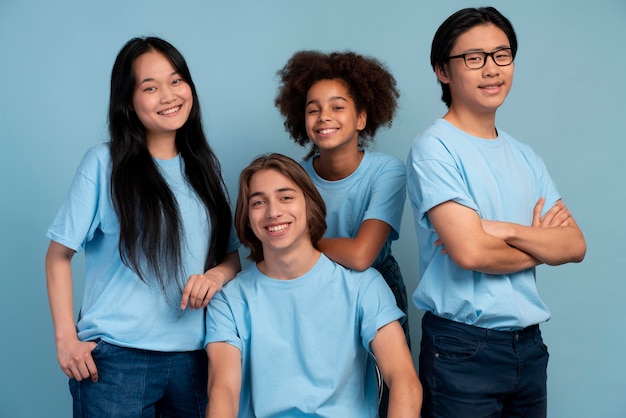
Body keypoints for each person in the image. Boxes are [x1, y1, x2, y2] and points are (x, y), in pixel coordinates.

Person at [45, 36, 241, 417]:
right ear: (128, 101)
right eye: (150, 87)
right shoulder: (104, 163)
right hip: (118, 362)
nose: (168, 95)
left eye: (176, 80)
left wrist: (214, 277)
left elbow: (230, 257)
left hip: (196, 360)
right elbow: (58, 256)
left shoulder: (205, 168)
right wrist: (66, 339)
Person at [406, 7, 587, 418]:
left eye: (501, 55)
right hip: (461, 348)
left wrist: (499, 229)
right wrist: (541, 244)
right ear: (443, 71)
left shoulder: (526, 156)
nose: (491, 69)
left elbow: (575, 245)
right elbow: (472, 254)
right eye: (474, 58)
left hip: (529, 346)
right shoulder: (435, 148)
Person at [205, 153, 421, 418]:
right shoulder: (228, 301)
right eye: (259, 202)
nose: (273, 212)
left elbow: (403, 379)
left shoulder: (363, 286)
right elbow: (222, 390)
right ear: (247, 217)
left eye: (286, 197)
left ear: (309, 205)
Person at [274, 52, 410, 416]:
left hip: (376, 285)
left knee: (386, 394)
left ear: (362, 117)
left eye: (338, 107)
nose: (325, 117)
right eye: (313, 109)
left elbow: (362, 255)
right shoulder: (294, 178)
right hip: (313, 292)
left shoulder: (388, 172)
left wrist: (298, 243)